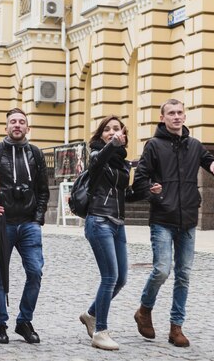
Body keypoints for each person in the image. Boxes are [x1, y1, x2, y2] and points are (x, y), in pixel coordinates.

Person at [131, 99, 214, 347]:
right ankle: (144, 310)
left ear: (185, 117)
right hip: (162, 218)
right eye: (171, 113)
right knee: (162, 270)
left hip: (187, 220)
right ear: (162, 118)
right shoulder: (153, 146)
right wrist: (153, 191)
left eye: (179, 113)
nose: (176, 117)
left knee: (183, 275)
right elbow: (139, 181)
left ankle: (176, 327)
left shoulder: (194, 145)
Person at [0, 107, 49, 345]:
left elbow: (43, 191)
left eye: (21, 122)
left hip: (28, 224)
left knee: (35, 272)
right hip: (2, 223)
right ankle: (0, 324)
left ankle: (24, 321)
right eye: (13, 122)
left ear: (28, 127)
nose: (17, 125)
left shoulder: (36, 154)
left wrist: (37, 218)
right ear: (6, 127)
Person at [78, 115, 136, 351]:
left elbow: (124, 194)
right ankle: (100, 331)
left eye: (116, 129)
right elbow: (99, 162)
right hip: (99, 220)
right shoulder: (95, 155)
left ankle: (91, 314)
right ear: (100, 135)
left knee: (121, 279)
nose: (112, 132)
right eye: (107, 129)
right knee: (110, 277)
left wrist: (150, 192)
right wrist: (113, 145)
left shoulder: (122, 162)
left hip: (117, 224)